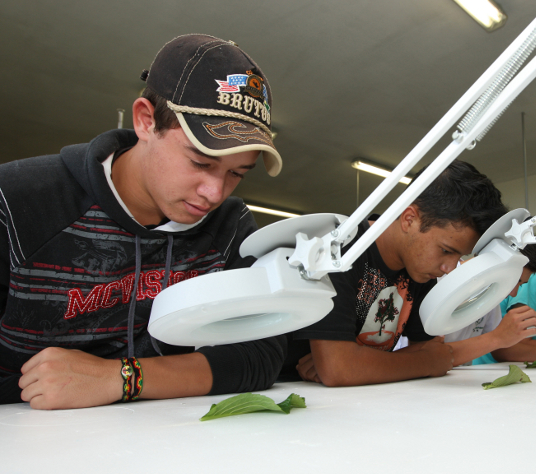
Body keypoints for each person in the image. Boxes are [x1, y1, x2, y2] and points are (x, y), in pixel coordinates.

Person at [0, 35, 287, 408]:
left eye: (237, 173)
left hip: (161, 434)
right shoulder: (17, 202)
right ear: (146, 121)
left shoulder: (229, 227)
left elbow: (260, 354)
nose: (215, 193)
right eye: (200, 162)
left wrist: (121, 377)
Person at [284, 160, 508, 386]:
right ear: (409, 219)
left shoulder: (419, 270)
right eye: (446, 250)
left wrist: (356, 363)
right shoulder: (339, 250)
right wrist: (425, 363)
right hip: (289, 393)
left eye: (459, 255)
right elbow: (339, 369)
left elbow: (430, 349)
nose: (449, 268)